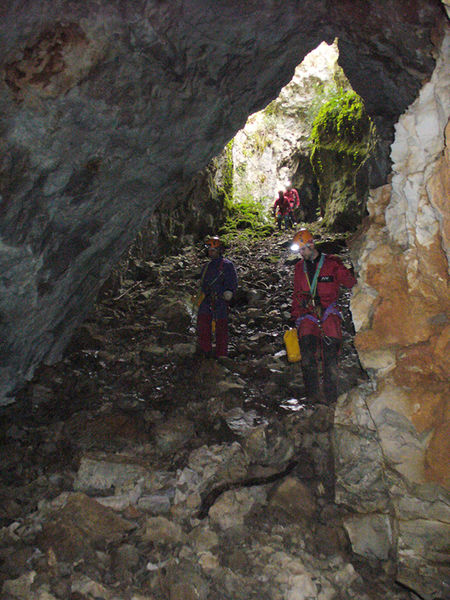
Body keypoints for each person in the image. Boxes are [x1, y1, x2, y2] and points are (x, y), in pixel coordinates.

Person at [290, 229, 356, 404]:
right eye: (299, 251)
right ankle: (312, 396)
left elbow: (349, 282)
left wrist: (355, 273)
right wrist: (296, 315)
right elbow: (296, 293)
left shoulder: (332, 264)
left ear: (311, 245)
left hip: (328, 312)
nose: (301, 254)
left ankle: (331, 396)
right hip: (308, 314)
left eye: (303, 250)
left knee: (331, 356)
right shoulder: (299, 268)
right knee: (307, 355)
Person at [196, 236, 238, 358]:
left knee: (221, 326)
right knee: (203, 323)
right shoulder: (206, 267)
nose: (211, 252)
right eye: (210, 250)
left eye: (213, 250)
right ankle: (205, 350)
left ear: (219, 250)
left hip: (220, 300)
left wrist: (229, 291)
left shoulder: (227, 265)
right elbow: (203, 283)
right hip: (208, 299)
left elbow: (232, 281)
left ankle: (221, 353)